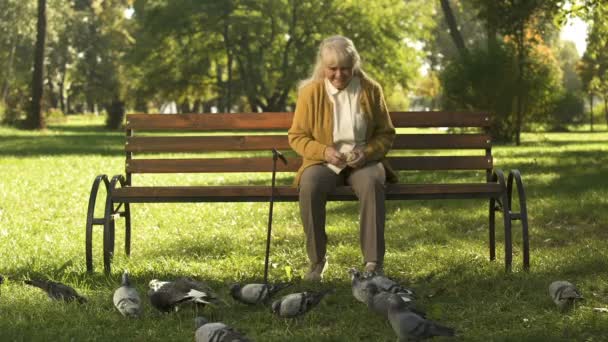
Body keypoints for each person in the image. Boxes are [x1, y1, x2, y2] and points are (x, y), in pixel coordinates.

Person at [288, 35, 397, 281]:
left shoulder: (371, 90)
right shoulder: (310, 93)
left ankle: (373, 264)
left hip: (363, 162)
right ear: (323, 67)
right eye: (332, 69)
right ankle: (317, 261)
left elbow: (386, 134)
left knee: (371, 182)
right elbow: (297, 136)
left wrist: (366, 153)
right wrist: (324, 151)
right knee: (311, 184)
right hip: (324, 162)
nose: (339, 75)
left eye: (345, 69)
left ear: (354, 65)